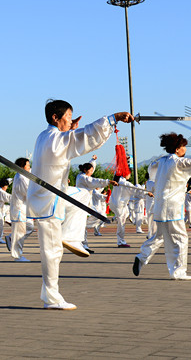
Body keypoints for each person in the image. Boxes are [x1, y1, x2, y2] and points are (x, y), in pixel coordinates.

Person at [27, 98, 132, 310]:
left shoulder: (45, 136)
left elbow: (72, 140)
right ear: (56, 118)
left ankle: (71, 236)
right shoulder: (54, 139)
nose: (70, 121)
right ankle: (51, 297)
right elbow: (84, 138)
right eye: (67, 118)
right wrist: (112, 119)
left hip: (56, 194)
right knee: (52, 251)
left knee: (83, 194)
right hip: (49, 200)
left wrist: (70, 129)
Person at [133, 132, 191, 280]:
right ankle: (178, 272)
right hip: (173, 208)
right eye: (183, 146)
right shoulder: (178, 162)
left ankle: (142, 256)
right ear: (177, 149)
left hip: (160, 206)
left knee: (159, 236)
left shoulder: (161, 161)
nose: (185, 149)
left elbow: (151, 170)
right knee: (180, 238)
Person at [7, 157, 35, 262]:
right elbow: (28, 193)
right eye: (28, 165)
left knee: (29, 227)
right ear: (22, 167)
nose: (29, 167)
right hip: (19, 209)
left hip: (23, 208)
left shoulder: (22, 175)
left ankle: (11, 238)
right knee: (19, 233)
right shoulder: (21, 178)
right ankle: (17, 256)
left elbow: (33, 171)